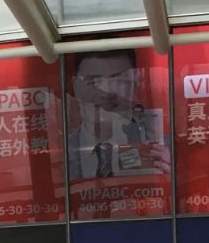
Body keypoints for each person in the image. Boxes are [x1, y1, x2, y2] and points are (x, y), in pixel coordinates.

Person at [65, 48, 169, 181]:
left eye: (118, 80)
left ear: (135, 84)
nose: (106, 92)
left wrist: (172, 178)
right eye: (93, 81)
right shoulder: (60, 152)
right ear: (76, 86)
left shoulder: (166, 150)